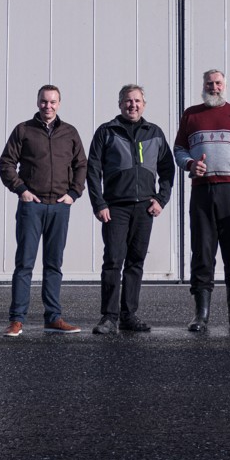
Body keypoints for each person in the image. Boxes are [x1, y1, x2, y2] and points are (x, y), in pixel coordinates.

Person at [174, 69, 230, 331]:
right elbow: (179, 150)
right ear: (203, 86)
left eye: (218, 83)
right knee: (202, 252)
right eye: (209, 84)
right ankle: (201, 315)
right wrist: (190, 164)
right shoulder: (191, 114)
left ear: (225, 85)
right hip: (202, 192)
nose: (214, 87)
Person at [0, 84, 87, 337]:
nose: (48, 106)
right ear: (38, 102)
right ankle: (17, 320)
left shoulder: (70, 133)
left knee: (54, 264)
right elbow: (6, 163)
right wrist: (21, 190)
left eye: (53, 102)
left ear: (59, 103)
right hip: (32, 206)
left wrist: (73, 193)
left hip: (59, 207)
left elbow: (81, 165)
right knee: (24, 264)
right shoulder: (23, 130)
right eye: (44, 101)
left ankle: (53, 318)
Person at [86, 84, 176, 334]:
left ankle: (128, 315)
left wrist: (161, 199)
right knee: (113, 260)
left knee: (136, 261)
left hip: (145, 208)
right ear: (120, 104)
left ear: (144, 105)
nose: (132, 105)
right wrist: (99, 203)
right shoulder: (106, 132)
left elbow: (167, 169)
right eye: (128, 101)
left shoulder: (154, 133)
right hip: (115, 208)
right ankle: (109, 317)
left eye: (137, 101)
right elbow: (92, 170)